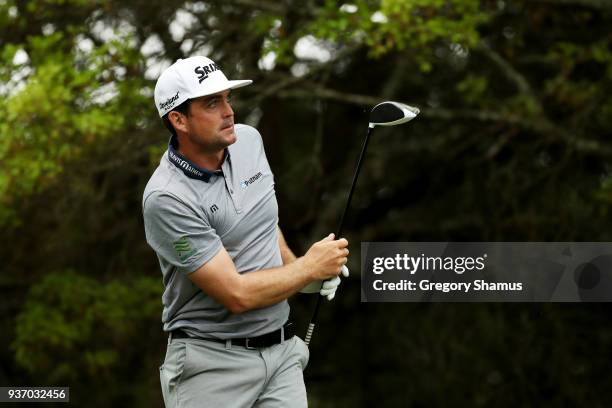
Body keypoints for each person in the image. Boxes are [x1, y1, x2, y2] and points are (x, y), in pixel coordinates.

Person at [142, 56, 350, 408]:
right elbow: (236, 294)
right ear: (178, 120)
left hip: (282, 354)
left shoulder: (249, 141)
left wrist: (303, 274)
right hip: (211, 367)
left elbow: (263, 224)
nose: (229, 111)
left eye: (226, 98)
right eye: (212, 103)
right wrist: (307, 269)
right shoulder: (166, 197)